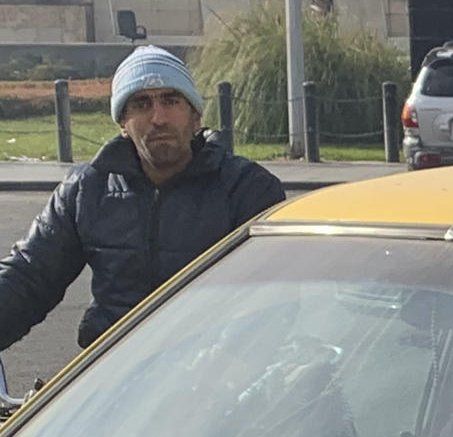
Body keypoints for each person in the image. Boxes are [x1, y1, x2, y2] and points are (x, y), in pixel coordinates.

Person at [0, 46, 284, 353]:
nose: (158, 117)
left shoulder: (248, 189)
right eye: (141, 103)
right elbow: (29, 277)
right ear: (123, 122)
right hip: (114, 372)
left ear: (196, 116)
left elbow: (271, 301)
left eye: (171, 100)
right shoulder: (85, 189)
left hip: (214, 374)